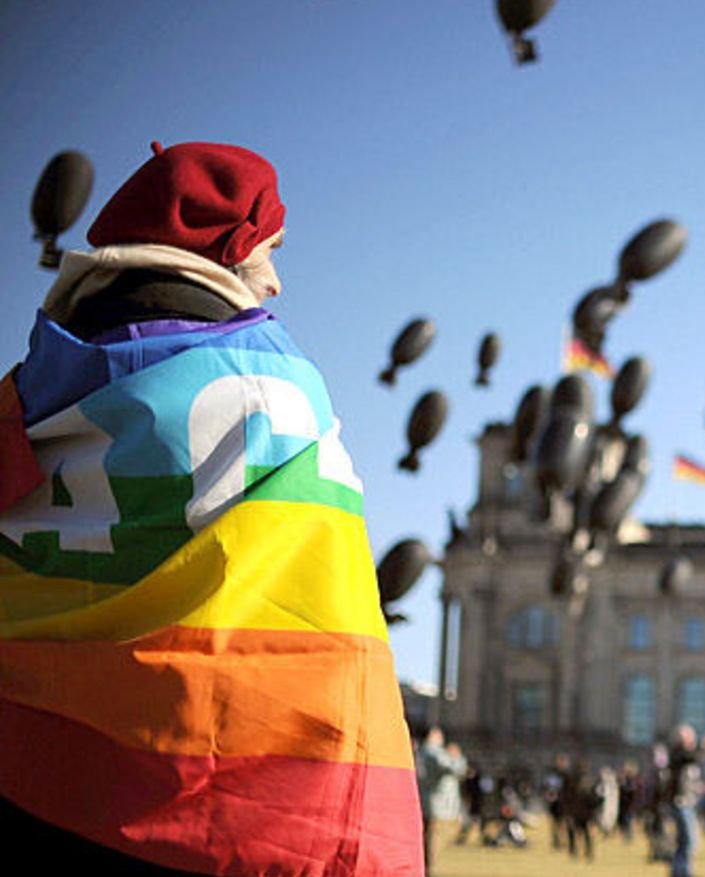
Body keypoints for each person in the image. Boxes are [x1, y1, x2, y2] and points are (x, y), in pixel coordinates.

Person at [0, 140, 422, 874]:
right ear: (226, 248)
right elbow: (325, 608)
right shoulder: (276, 388)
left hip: (35, 772)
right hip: (201, 808)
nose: (278, 282)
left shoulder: (23, 393)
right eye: (269, 250)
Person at [667, 724, 705, 877]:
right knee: (689, 841)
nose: (693, 740)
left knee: (684, 842)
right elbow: (696, 757)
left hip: (688, 803)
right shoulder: (679, 754)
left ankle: (679, 872)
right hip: (681, 803)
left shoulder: (684, 757)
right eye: (690, 737)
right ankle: (683, 872)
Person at [419, 730, 467, 876]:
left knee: (428, 836)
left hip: (427, 800)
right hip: (438, 803)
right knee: (435, 837)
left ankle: (426, 867)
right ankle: (429, 868)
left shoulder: (421, 751)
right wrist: (457, 756)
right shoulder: (434, 752)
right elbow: (454, 767)